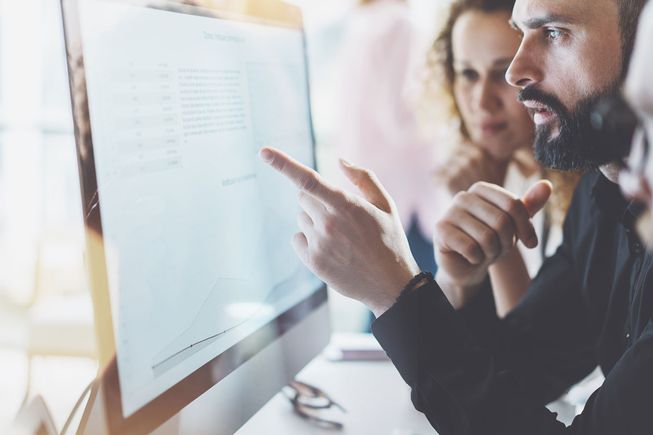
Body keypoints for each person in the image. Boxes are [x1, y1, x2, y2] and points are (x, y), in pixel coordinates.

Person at [258, 0, 652, 432]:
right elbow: (520, 371)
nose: (515, 73)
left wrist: (396, 295)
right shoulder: (600, 194)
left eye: (554, 32)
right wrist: (459, 283)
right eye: (523, 34)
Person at [425, 0, 581, 317]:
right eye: (468, 74)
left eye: (502, 74)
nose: (482, 102)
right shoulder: (488, 168)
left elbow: (532, 349)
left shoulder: (589, 187)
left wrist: (498, 239)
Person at [334, 0, 440, 273]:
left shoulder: (358, 26)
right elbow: (400, 118)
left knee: (383, 293)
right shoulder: (401, 25)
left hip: (370, 190)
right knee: (416, 295)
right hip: (406, 197)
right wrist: (448, 119)